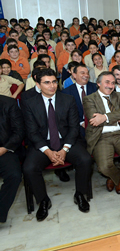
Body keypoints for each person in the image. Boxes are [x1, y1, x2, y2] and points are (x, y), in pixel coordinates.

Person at [22, 68, 93, 221]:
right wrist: (48, 152)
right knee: (29, 168)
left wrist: (64, 150)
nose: (52, 86)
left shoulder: (67, 99)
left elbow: (74, 128)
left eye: (54, 81)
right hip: (42, 143)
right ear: (38, 85)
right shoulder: (29, 103)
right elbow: (32, 132)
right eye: (47, 83)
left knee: (85, 159)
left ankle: (80, 194)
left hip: (66, 140)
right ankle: (43, 200)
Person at [83, 71, 120, 195]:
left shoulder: (118, 96)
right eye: (107, 82)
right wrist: (116, 117)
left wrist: (104, 117)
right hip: (100, 136)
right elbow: (94, 120)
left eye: (113, 83)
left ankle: (114, 176)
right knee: (103, 167)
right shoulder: (89, 99)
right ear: (98, 83)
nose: (110, 85)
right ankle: (118, 177)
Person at [0, 95, 24, 223]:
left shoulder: (8, 103)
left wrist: (4, 149)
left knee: (14, 175)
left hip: (5, 149)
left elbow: (19, 131)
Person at [62, 64, 98, 139]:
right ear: (74, 75)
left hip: (96, 123)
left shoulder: (96, 88)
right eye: (82, 73)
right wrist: (81, 122)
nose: (86, 75)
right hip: (76, 126)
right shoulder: (66, 92)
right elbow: (66, 113)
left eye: (87, 73)